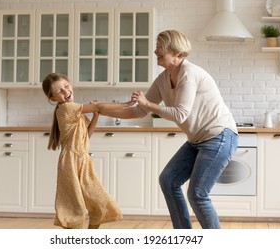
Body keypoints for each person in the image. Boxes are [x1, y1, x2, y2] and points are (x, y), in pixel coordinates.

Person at [101, 30, 238, 229]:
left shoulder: (189, 74)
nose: (155, 50)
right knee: (168, 180)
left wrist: (148, 105)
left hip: (219, 136)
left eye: (160, 47)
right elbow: (139, 111)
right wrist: (103, 110)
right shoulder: (163, 79)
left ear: (175, 51)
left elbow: (179, 114)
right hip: (197, 140)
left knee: (198, 194)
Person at [42, 73, 134, 229]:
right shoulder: (66, 109)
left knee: (98, 200)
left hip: (83, 160)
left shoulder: (75, 110)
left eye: (66, 86)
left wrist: (95, 116)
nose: (65, 92)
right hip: (70, 163)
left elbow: (86, 136)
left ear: (70, 84)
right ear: (53, 98)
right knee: (74, 205)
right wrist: (127, 104)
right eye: (60, 91)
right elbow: (98, 106)